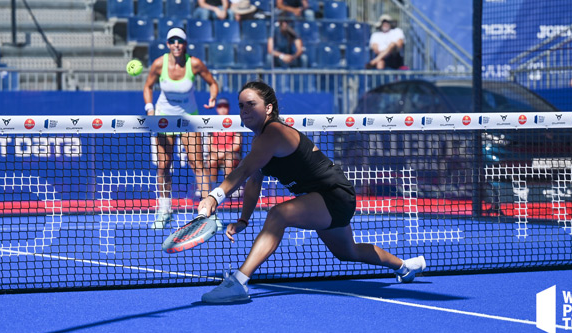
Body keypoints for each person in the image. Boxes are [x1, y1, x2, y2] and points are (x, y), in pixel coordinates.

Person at [198, 81, 426, 303]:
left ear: (268, 108)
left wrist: (214, 196)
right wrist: (244, 220)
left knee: (278, 214)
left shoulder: (274, 132)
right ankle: (406, 267)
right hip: (321, 199)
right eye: (241, 105)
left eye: (251, 104)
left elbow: (244, 169)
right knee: (348, 252)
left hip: (333, 193)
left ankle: (239, 281)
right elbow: (253, 181)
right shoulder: (259, 140)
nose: (244, 110)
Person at [143, 27, 219, 229]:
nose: (176, 44)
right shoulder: (159, 64)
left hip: (188, 119)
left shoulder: (194, 64)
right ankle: (164, 210)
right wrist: (150, 109)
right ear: (168, 45)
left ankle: (208, 212)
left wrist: (213, 97)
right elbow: (148, 86)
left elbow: (212, 83)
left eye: (180, 41)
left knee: (198, 164)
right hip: (163, 119)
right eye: (172, 41)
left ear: (185, 44)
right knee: (163, 165)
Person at [207, 97, 243, 196]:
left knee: (229, 161)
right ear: (217, 109)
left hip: (231, 155)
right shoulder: (212, 123)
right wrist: (218, 153)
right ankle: (213, 188)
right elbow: (209, 145)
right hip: (216, 155)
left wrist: (224, 152)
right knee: (211, 161)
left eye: (225, 107)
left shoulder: (235, 122)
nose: (222, 109)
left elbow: (237, 144)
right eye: (220, 107)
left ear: (228, 108)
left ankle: (230, 188)